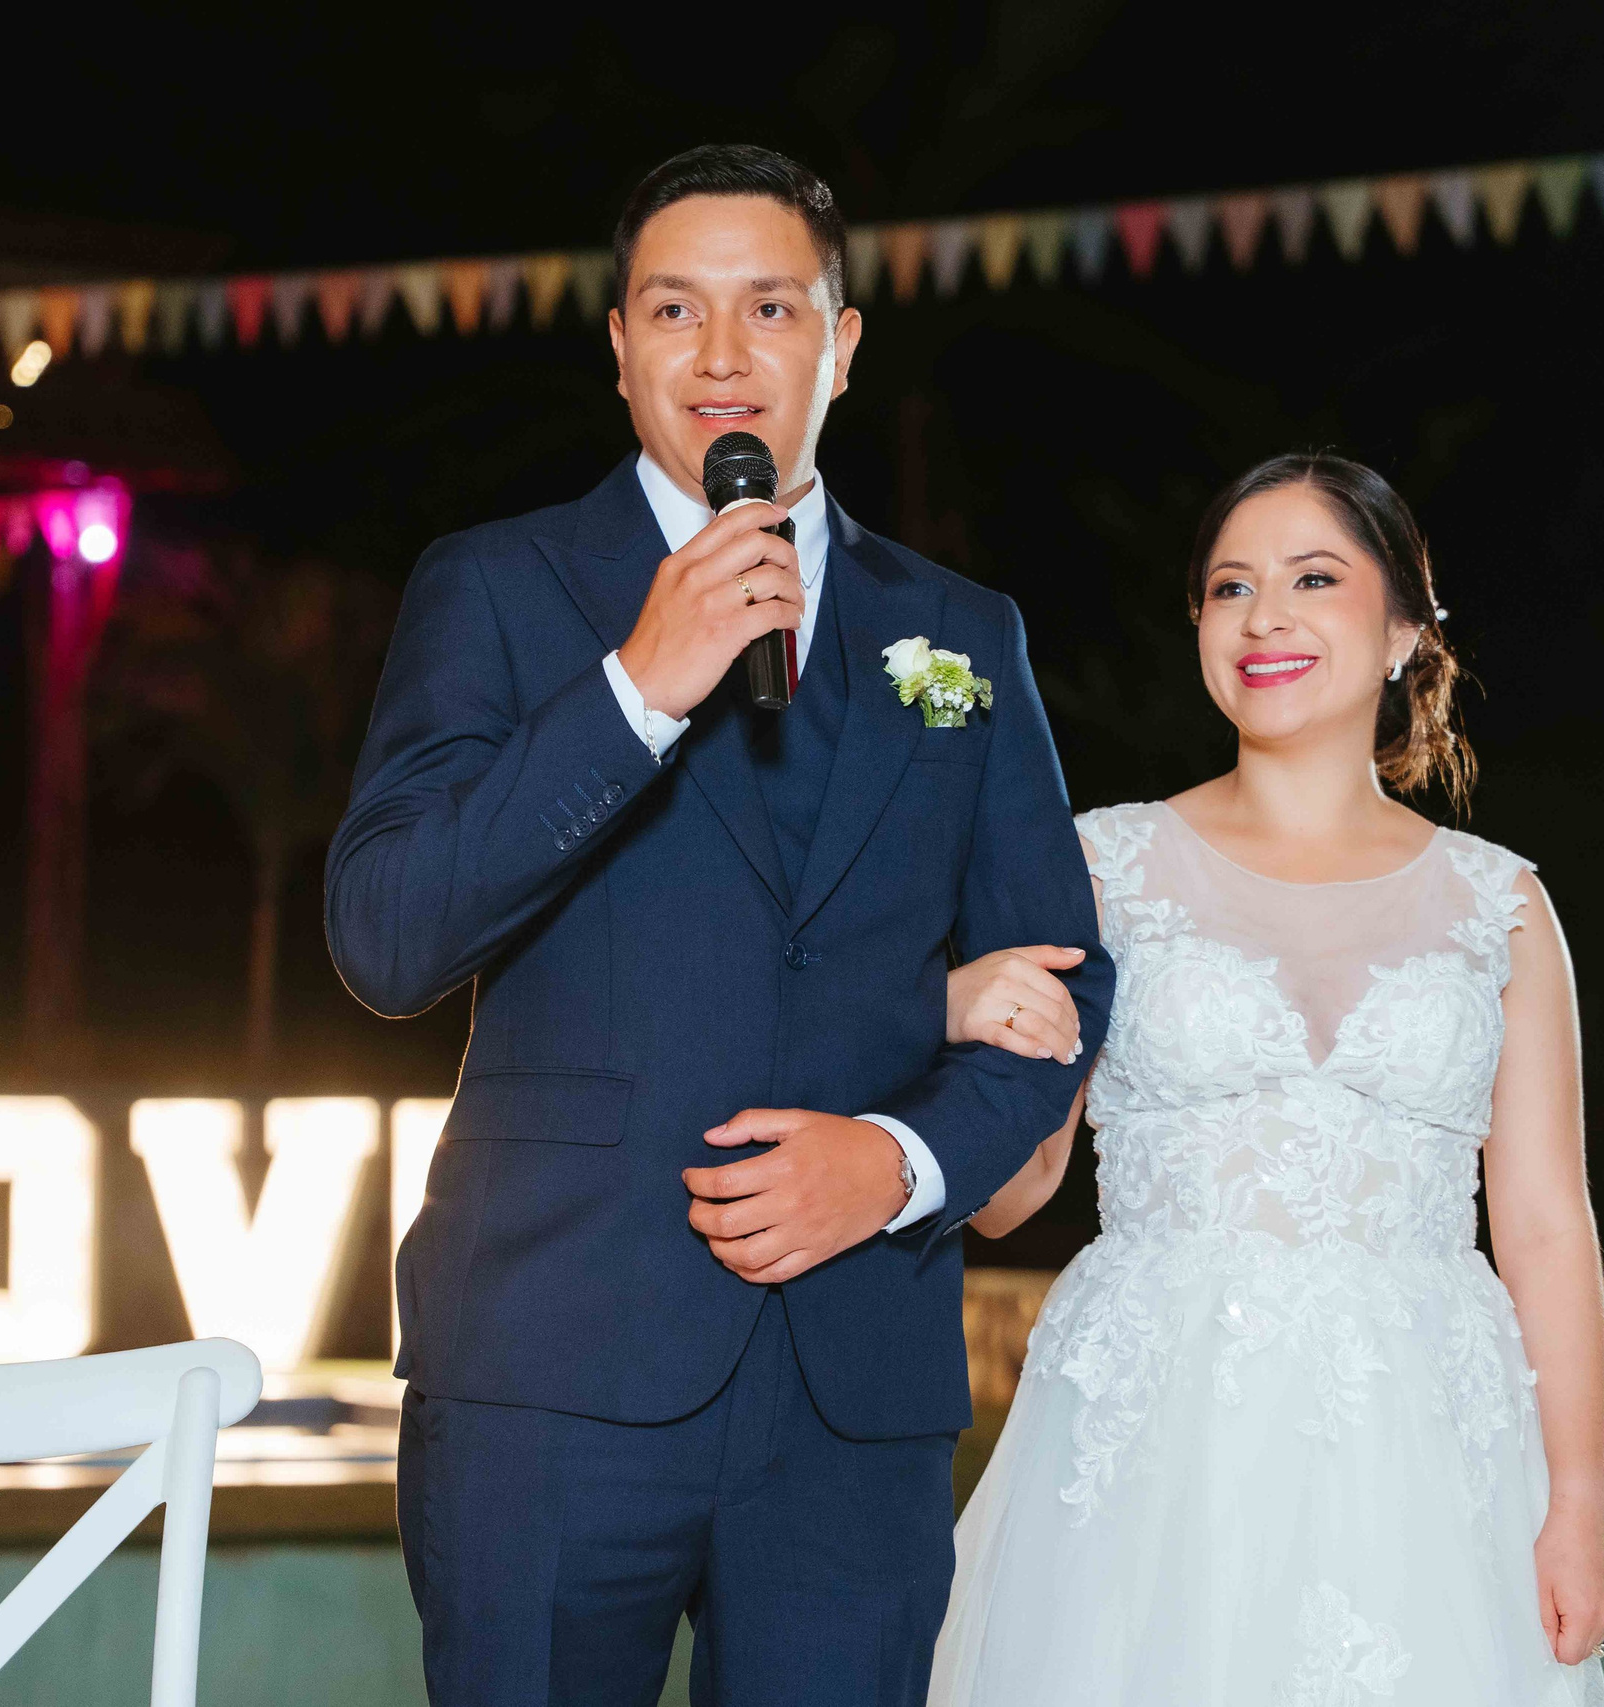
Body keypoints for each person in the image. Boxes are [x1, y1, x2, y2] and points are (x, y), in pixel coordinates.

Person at [324, 144, 1112, 1707]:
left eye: (770, 307)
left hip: (854, 1388)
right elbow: (388, 935)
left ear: (843, 342)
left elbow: (1061, 982)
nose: (725, 354)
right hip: (552, 1366)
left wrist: (901, 1161)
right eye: (677, 309)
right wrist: (635, 691)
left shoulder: (958, 633)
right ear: (620, 347)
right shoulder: (495, 588)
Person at [929, 454, 1604, 1705]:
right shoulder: (1100, 865)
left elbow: (1544, 1227)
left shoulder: (1500, 905)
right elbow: (1010, 1196)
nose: (1265, 616)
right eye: (1230, 586)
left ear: (1407, 625)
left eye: (1314, 577)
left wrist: (1577, 1505)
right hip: (1150, 1450)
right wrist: (960, 1012)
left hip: (1424, 1455)